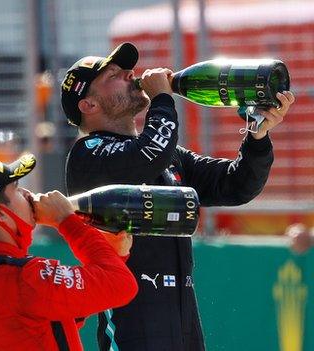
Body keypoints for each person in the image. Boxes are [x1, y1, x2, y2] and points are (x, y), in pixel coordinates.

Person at [60, 42, 295, 350]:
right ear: (89, 105)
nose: (131, 74)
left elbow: (236, 185)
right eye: (114, 74)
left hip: (182, 317)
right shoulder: (88, 154)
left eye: (126, 68)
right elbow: (148, 154)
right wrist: (161, 97)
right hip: (133, 319)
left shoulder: (165, 155)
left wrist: (257, 135)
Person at [0, 153, 138, 350]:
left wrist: (115, 256)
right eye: (17, 189)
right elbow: (122, 285)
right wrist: (66, 221)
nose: (28, 193)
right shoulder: (27, 278)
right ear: (0, 213)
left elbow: (59, 316)